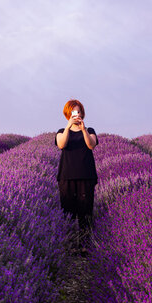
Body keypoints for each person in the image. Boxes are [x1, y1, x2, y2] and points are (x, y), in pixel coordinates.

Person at [55, 99, 99, 235]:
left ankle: (85, 245)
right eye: (73, 111)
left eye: (78, 111)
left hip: (86, 175)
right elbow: (61, 144)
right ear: (68, 114)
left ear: (82, 113)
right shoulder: (62, 131)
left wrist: (83, 129)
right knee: (68, 212)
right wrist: (68, 127)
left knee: (85, 212)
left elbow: (91, 144)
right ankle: (70, 244)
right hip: (67, 176)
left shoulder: (89, 130)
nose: (76, 114)